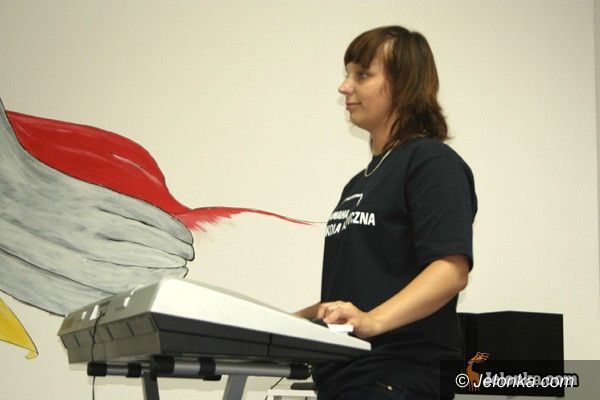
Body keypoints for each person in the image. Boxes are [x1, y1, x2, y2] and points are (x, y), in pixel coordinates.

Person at [295, 26, 477, 400]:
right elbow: (356, 295)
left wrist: (373, 321)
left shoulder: (432, 162)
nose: (344, 87)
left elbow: (451, 269)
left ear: (404, 85)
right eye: (347, 74)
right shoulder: (359, 182)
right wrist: (285, 324)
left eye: (362, 75)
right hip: (346, 377)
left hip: (398, 376)